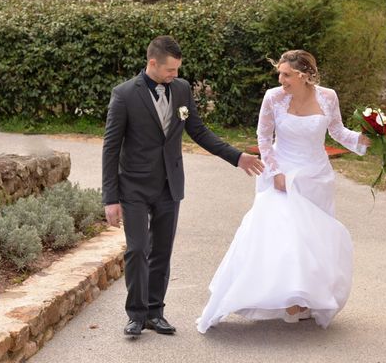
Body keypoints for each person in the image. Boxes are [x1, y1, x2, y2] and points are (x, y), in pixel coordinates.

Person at [197, 49, 371, 333]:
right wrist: (275, 172)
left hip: (316, 177)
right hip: (281, 175)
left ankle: (304, 301)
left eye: (287, 74)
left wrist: (363, 141)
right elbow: (264, 138)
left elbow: (337, 132)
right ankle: (287, 299)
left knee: (313, 241)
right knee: (286, 237)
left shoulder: (328, 97)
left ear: (304, 75)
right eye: (279, 73)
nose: (281, 79)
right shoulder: (273, 97)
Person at [102, 35, 264, 339]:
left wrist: (237, 157)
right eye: (170, 70)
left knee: (162, 251)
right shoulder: (124, 95)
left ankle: (155, 312)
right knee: (138, 249)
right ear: (153, 63)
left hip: (169, 185)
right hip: (133, 186)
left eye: (177, 70)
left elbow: (198, 131)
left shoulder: (182, 89)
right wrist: (110, 198)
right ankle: (135, 316)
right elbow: (110, 148)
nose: (174, 75)